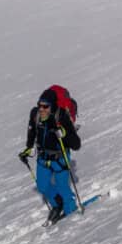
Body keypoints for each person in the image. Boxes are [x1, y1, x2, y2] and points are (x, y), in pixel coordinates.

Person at [18, 87, 81, 223]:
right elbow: (32, 132)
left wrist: (63, 134)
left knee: (63, 186)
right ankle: (57, 204)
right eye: (39, 105)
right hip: (43, 158)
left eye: (45, 106)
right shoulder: (35, 115)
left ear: (52, 106)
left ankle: (71, 211)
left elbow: (76, 144)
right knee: (42, 185)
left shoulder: (62, 116)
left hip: (60, 158)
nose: (41, 109)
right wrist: (28, 149)